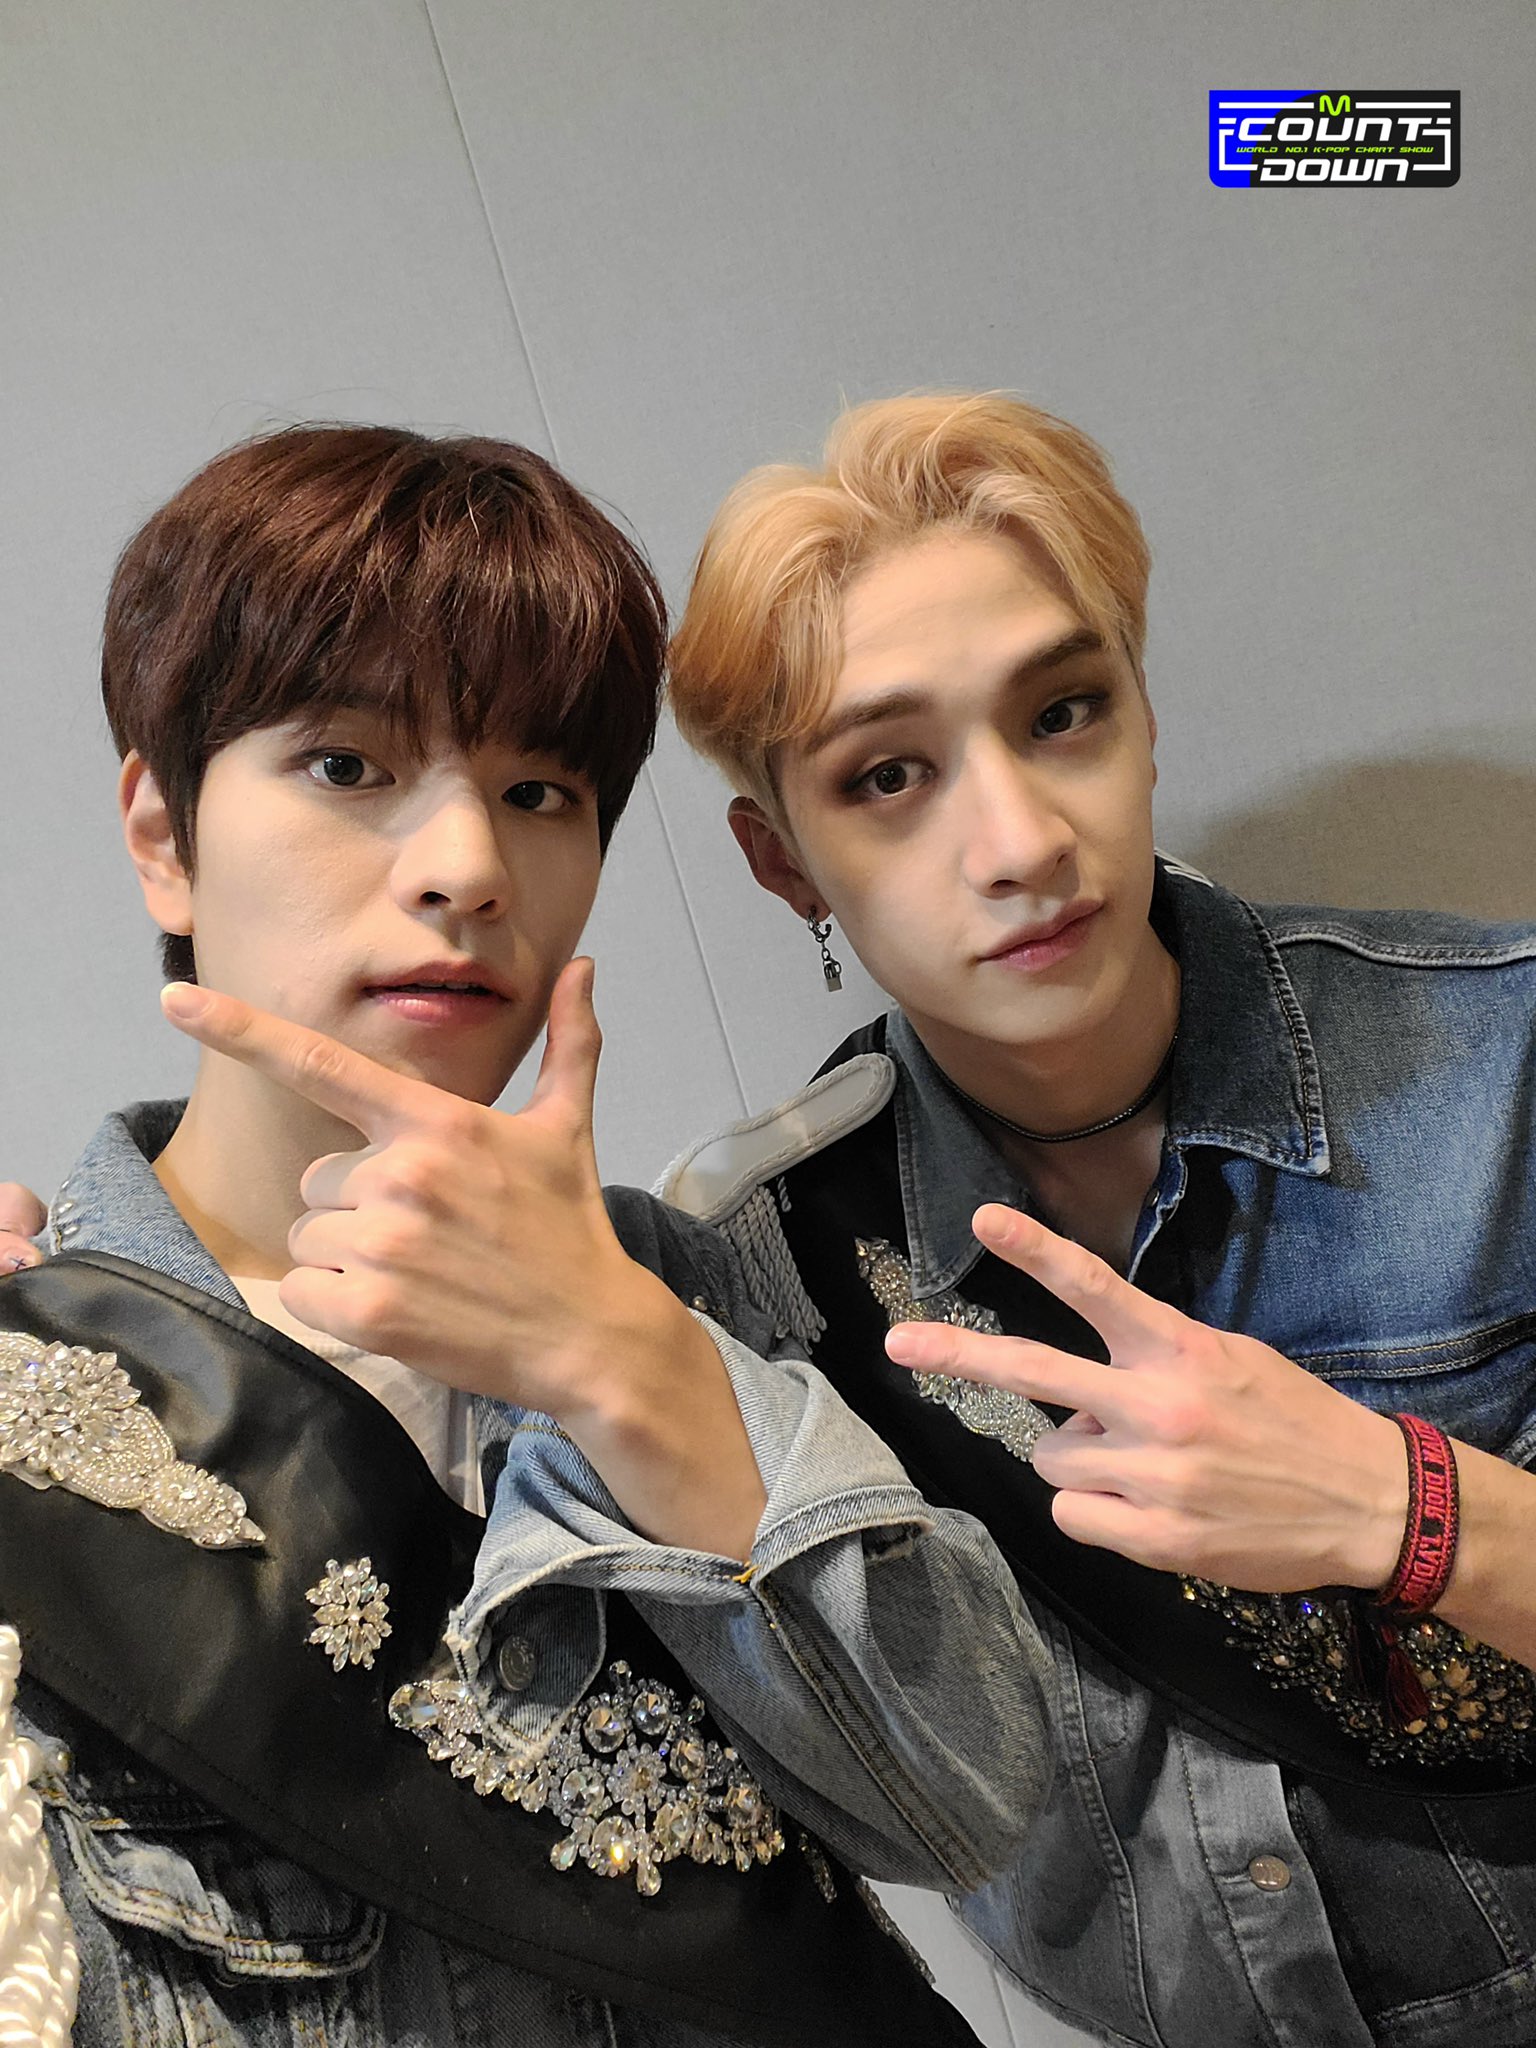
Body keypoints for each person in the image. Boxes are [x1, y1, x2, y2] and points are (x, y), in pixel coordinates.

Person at [0, 422, 1052, 2046]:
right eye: (347, 767)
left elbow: (980, 1808)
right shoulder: (34, 1390)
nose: (470, 869)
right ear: (164, 835)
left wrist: (617, 1357)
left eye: (539, 791)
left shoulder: (703, 1289)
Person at [660, 391, 1536, 2048]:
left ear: (1141, 717)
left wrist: (1405, 1508)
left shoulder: (1504, 1063)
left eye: (1063, 713)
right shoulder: (764, 1271)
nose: (1020, 842)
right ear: (784, 865)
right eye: (889, 776)